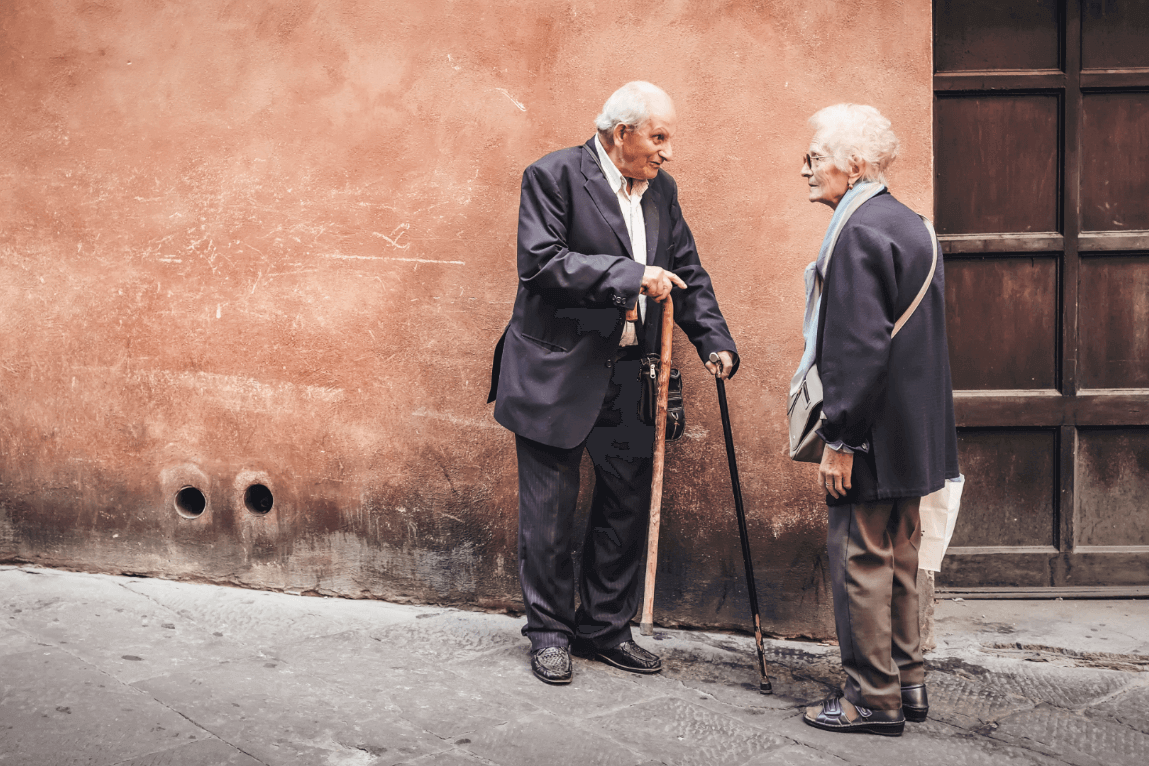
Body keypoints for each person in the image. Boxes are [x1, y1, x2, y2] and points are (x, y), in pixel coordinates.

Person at [488, 81, 739, 685]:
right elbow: (543, 263)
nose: (667, 151)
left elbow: (686, 271)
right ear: (620, 132)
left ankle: (604, 627)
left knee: (625, 506)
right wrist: (631, 275)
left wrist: (715, 341)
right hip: (557, 372)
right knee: (548, 515)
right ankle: (549, 632)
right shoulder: (552, 176)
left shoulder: (662, 191)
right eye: (658, 136)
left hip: (632, 373)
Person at [793, 104, 959, 736]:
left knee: (861, 559)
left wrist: (841, 439)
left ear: (853, 165)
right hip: (912, 434)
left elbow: (859, 348)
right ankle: (909, 683)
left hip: (870, 434)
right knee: (901, 557)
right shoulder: (912, 223)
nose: (805, 169)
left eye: (815, 157)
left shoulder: (857, 230)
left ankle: (871, 700)